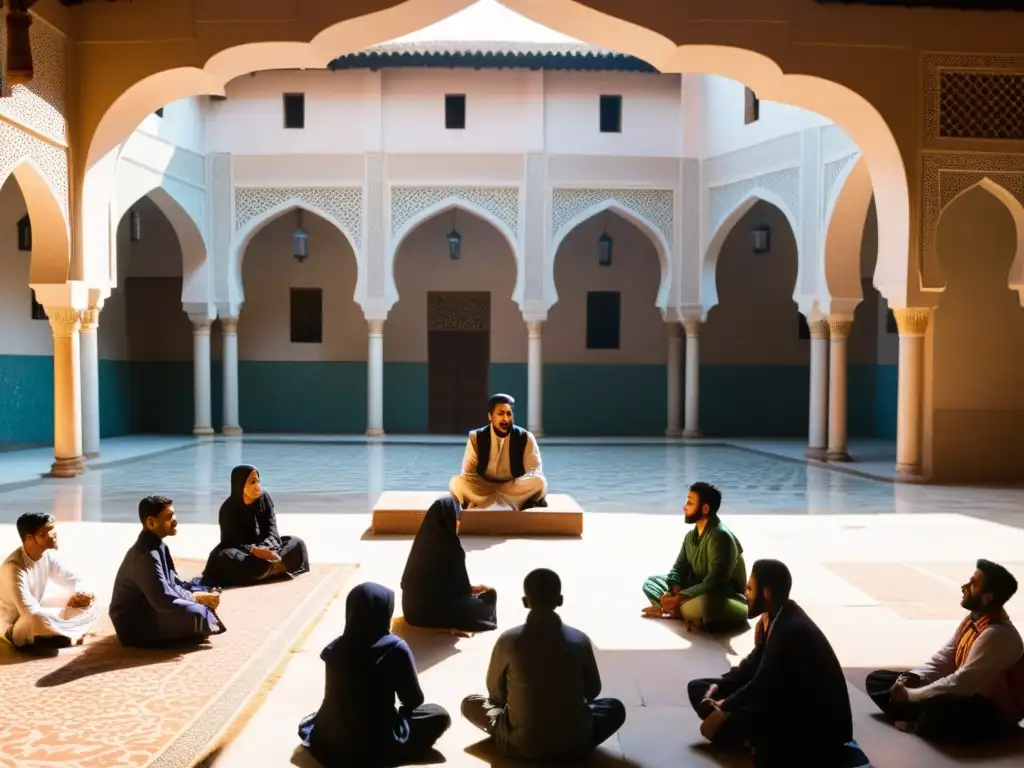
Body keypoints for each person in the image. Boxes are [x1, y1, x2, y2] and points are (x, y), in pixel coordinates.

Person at [687, 559, 866, 767]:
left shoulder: (792, 630)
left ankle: (749, 736)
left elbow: (762, 684)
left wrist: (724, 706)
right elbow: (753, 665)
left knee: (763, 746)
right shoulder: (772, 619)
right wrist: (719, 687)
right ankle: (744, 734)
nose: (745, 594)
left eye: (750, 588)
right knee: (699, 689)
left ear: (767, 593)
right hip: (777, 699)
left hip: (812, 722)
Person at [461, 568, 626, 762]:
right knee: (614, 708)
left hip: (519, 745)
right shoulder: (579, 640)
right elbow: (593, 691)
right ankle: (570, 733)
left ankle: (518, 737)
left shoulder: (508, 641)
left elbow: (496, 694)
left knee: (470, 703)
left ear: (525, 601)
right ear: (560, 600)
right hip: (576, 745)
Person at [866, 559, 1024, 744]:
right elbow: (943, 660)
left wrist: (909, 694)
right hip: (964, 694)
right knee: (877, 680)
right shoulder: (973, 620)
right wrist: (914, 677)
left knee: (937, 710)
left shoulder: (998, 635)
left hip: (991, 710)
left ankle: (914, 719)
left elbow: (960, 684)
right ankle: (914, 715)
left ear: (987, 597)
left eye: (972, 584)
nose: (964, 587)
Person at [298, 582, 452, 766]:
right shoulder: (395, 648)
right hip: (375, 743)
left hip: (331, 740)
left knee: (332, 714)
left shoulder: (335, 647)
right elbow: (413, 700)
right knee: (438, 714)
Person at [109, 495, 226, 648]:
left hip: (149, 607)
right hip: (132, 624)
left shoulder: (160, 547)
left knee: (200, 611)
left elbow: (174, 583)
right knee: (198, 614)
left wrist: (194, 597)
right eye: (169, 516)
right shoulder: (145, 554)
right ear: (151, 522)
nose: (175, 520)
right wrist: (195, 602)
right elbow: (162, 599)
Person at [641, 481, 748, 632]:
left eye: (690, 502)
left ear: (705, 508)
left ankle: (673, 609)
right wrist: (674, 589)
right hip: (696, 587)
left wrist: (680, 597)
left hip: (723, 595)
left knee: (707, 604)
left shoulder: (721, 535)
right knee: (651, 583)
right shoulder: (690, 537)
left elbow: (715, 582)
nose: (684, 507)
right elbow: (678, 569)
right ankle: (677, 610)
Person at [0, 512, 100, 652]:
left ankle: (61, 635)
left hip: (38, 613)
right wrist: (54, 617)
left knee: (90, 600)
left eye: (52, 530)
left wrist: (80, 594)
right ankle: (68, 633)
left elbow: (71, 579)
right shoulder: (13, 567)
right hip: (16, 625)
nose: (52, 535)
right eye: (43, 535)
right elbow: (28, 611)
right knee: (37, 617)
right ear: (29, 538)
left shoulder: (46, 555)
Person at [400, 496, 497, 633]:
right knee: (490, 597)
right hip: (428, 614)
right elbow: (459, 591)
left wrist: (469, 588)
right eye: (457, 519)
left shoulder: (421, 543)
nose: (458, 523)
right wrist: (474, 590)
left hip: (411, 610)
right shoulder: (452, 549)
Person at [202, 464, 309, 587]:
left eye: (258, 481)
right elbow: (229, 541)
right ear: (240, 485)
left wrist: (265, 548)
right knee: (222, 557)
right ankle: (272, 569)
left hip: (266, 547)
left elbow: (271, 530)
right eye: (252, 482)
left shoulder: (264, 497)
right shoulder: (228, 509)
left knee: (296, 543)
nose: (257, 486)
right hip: (243, 552)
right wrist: (253, 550)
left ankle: (264, 571)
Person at [449, 393, 548, 511]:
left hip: (514, 487)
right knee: (457, 482)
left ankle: (484, 504)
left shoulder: (525, 437)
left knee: (539, 481)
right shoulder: (476, 437)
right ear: (490, 416)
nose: (506, 419)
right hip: (484, 487)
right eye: (500, 414)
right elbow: (468, 474)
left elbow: (534, 471)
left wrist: (514, 487)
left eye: (509, 414)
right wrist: (479, 487)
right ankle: (510, 503)